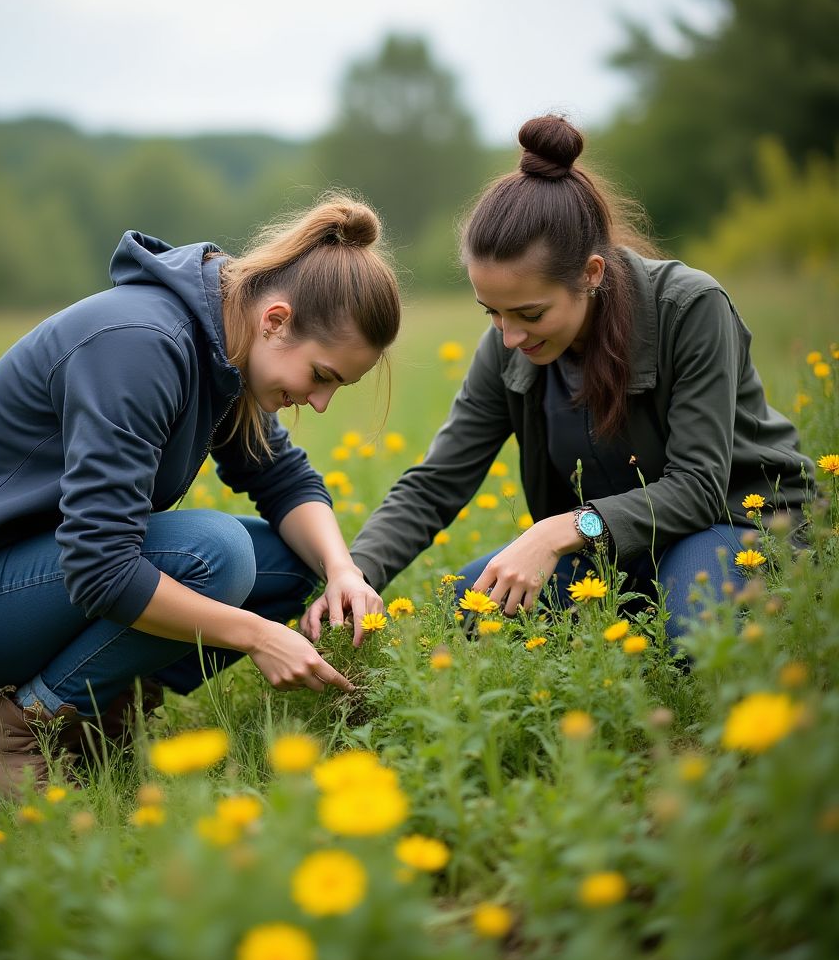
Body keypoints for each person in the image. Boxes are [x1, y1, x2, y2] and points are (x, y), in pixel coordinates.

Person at [0, 193, 399, 797]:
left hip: (36, 582)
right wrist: (257, 634)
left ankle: (97, 714)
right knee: (216, 555)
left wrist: (341, 571)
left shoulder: (223, 342)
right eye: (322, 376)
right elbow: (101, 568)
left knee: (288, 562)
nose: (322, 402)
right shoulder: (142, 345)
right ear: (275, 321)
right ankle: (12, 734)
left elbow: (283, 479)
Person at [307, 116, 812, 643]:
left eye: (529, 313)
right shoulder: (507, 348)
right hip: (612, 550)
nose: (509, 337)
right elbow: (437, 482)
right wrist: (353, 576)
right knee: (463, 611)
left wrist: (561, 530)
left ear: (591, 274)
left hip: (735, 525)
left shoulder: (689, 309)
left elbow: (699, 488)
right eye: (492, 314)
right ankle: (628, 612)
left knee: (693, 629)